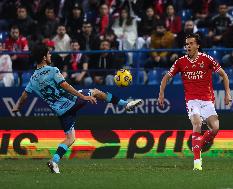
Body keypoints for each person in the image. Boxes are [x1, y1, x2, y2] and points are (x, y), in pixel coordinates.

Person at [11, 43, 142, 173]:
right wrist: (82, 96)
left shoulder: (33, 79)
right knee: (95, 91)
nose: (50, 55)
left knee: (70, 138)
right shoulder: (53, 70)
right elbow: (65, 85)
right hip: (72, 101)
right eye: (49, 53)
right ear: (45, 57)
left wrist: (17, 107)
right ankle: (126, 104)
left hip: (61, 111)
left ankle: (54, 161)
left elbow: (24, 96)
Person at [158, 33, 231, 171]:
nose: (188, 46)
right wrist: (161, 94)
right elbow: (166, 77)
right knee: (197, 123)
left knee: (215, 128)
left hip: (208, 100)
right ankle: (197, 162)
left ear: (198, 45)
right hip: (192, 101)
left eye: (191, 44)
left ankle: (198, 143)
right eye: (187, 44)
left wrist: (227, 93)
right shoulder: (180, 62)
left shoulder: (207, 59)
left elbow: (224, 75)